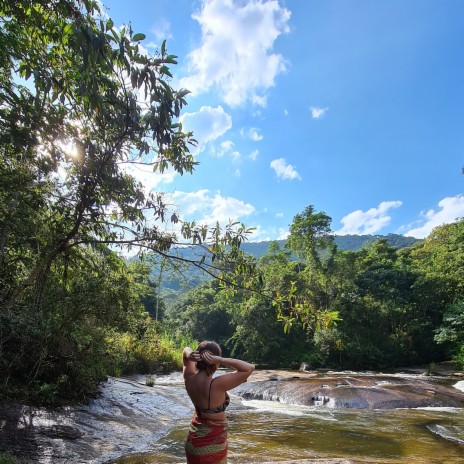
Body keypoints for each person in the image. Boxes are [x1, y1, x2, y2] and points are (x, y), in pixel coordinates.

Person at [183, 341, 255, 464]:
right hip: (212, 442)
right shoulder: (217, 384)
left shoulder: (189, 377)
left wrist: (190, 355)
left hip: (193, 440)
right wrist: (220, 359)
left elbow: (185, 350)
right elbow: (249, 367)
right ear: (214, 362)